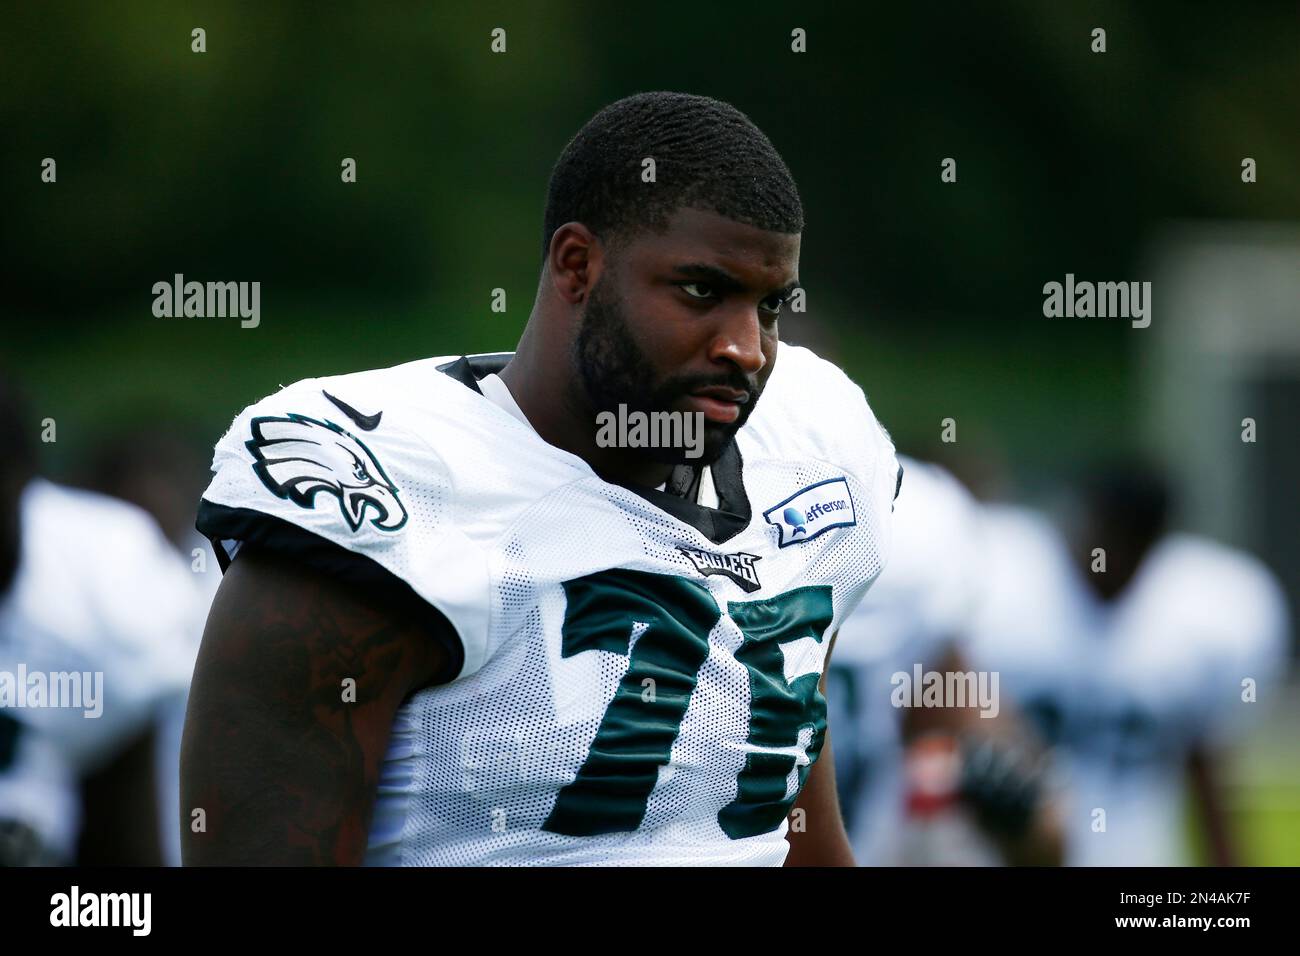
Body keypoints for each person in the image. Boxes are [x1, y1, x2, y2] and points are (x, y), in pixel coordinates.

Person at [182, 91, 903, 866]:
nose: (747, 348)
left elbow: (791, 831)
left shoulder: (811, 447)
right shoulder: (397, 489)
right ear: (577, 265)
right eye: (702, 290)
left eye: (769, 306)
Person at [962, 465, 1289, 865]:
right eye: (1108, 537)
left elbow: (1203, 761)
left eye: (1134, 544)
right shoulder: (999, 581)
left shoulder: (1203, 617)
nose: (1114, 558)